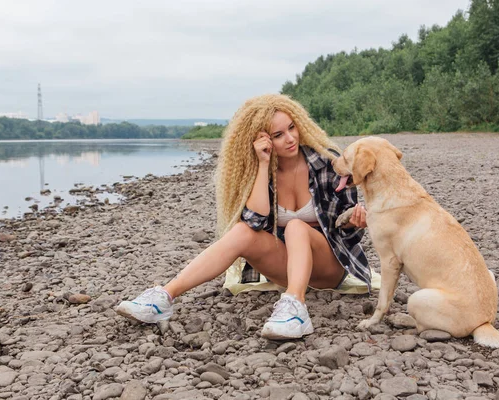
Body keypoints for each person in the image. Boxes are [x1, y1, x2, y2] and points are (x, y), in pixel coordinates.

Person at [115, 94, 371, 340]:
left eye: (292, 128)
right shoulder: (263, 171)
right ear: (263, 140)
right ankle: (163, 298)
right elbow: (254, 223)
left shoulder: (327, 161)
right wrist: (262, 163)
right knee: (240, 232)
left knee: (295, 227)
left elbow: (346, 233)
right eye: (278, 135)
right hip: (286, 267)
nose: (291, 139)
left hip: (330, 266)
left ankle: (296, 308)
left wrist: (353, 222)